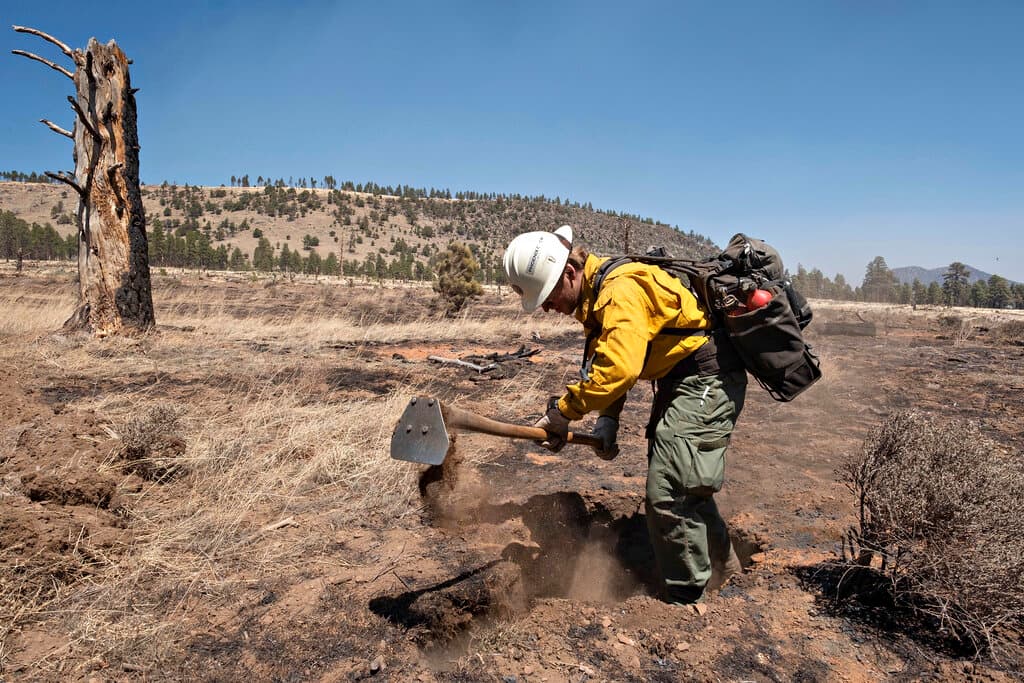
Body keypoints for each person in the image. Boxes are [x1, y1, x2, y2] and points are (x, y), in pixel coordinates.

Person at [502, 224, 745, 604]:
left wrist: (564, 412)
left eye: (548, 295)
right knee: (684, 482)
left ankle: (687, 597)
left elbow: (620, 371)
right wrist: (607, 420)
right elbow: (609, 360)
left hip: (705, 377)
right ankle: (727, 569)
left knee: (668, 491)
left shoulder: (618, 292)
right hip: (678, 379)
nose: (547, 307)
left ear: (570, 272)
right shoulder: (595, 300)